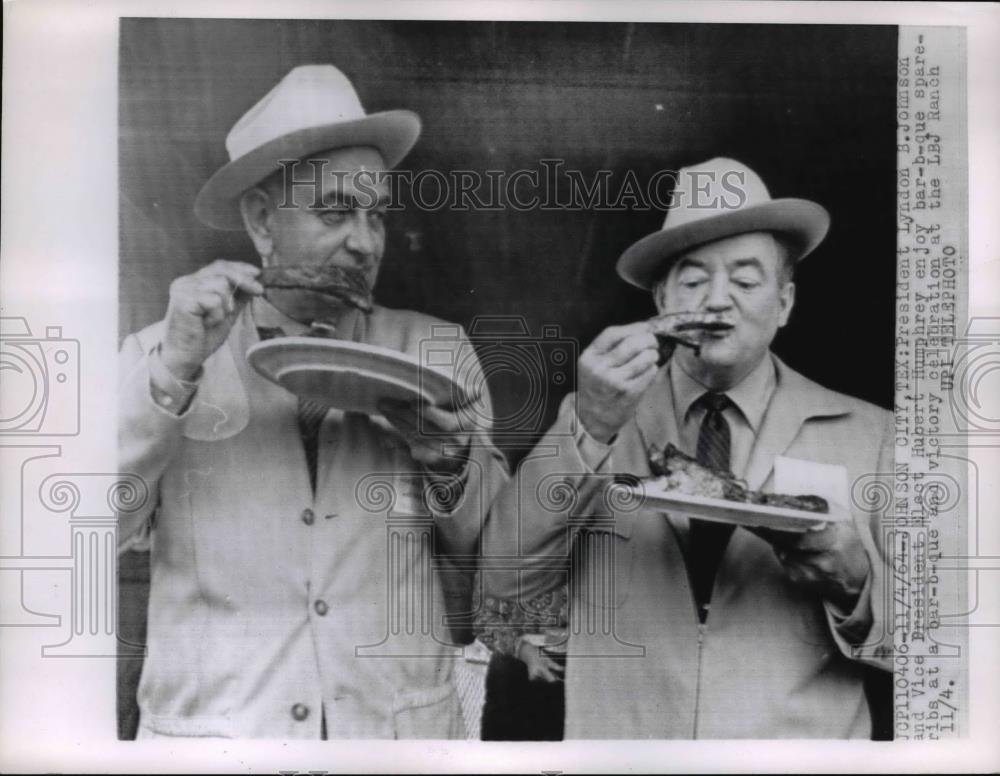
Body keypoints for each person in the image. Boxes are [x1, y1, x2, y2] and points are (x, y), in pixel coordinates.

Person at [118, 64, 508, 739]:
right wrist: (177, 369)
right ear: (263, 221)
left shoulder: (437, 350)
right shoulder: (160, 352)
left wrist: (453, 461)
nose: (364, 242)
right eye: (335, 212)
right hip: (221, 745)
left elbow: (501, 555)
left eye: (376, 214)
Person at [480, 157, 893, 739]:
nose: (718, 300)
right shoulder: (597, 420)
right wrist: (592, 426)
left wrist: (857, 584)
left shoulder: (874, 435)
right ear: (661, 300)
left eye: (747, 281)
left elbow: (942, 651)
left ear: (786, 302)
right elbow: (501, 590)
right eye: (695, 281)